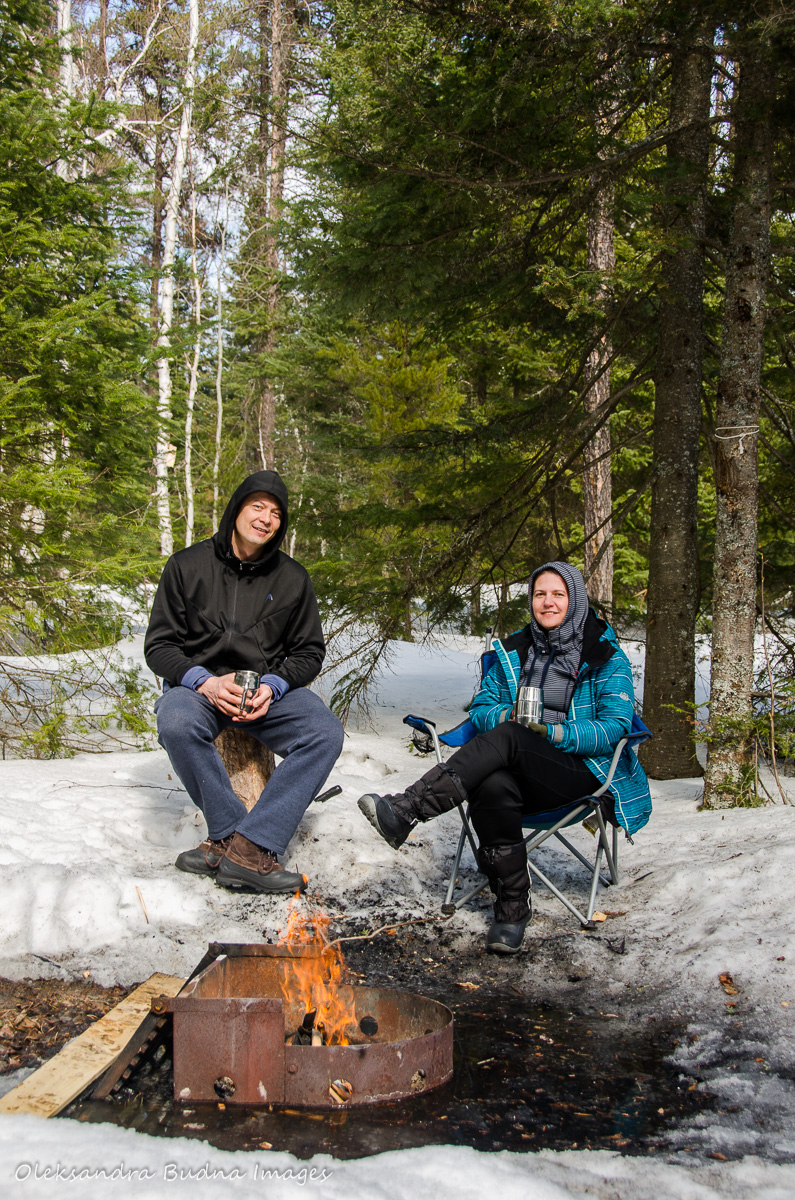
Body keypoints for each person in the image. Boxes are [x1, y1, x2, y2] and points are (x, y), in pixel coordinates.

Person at [358, 561, 651, 954]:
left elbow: (615, 727)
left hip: (579, 773)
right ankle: (512, 909)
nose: (548, 602)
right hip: (517, 771)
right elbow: (482, 709)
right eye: (540, 594)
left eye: (558, 594)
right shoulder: (514, 652)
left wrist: (556, 732)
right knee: (492, 783)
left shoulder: (605, 656)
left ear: (576, 600)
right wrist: (507, 715)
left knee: (511, 738)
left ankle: (408, 808)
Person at [145, 470, 344, 894]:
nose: (265, 519)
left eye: (276, 513)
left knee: (324, 732)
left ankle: (252, 846)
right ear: (236, 509)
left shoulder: (293, 578)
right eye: (257, 506)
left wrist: (273, 686)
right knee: (176, 721)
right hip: (199, 690)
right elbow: (159, 646)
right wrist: (205, 682)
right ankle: (228, 833)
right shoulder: (186, 566)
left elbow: (309, 652)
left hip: (265, 694)